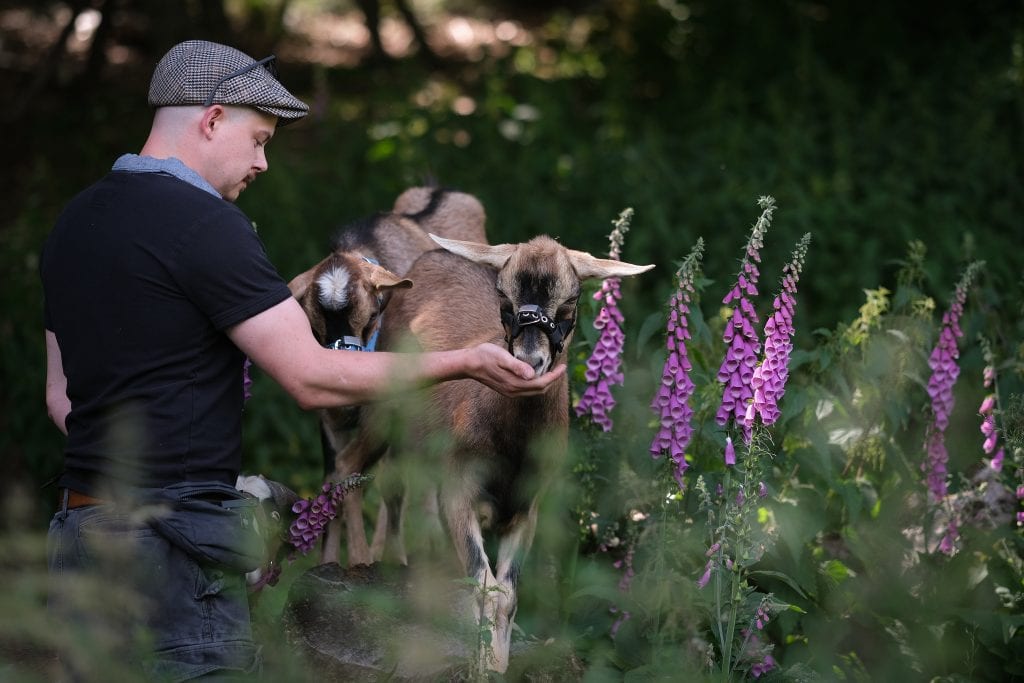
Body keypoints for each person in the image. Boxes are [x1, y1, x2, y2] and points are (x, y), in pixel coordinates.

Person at [40, 39, 564, 680]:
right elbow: (314, 378)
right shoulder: (207, 226)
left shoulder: (73, 224)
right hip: (174, 551)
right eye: (258, 139)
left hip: (81, 535)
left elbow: (63, 397)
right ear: (211, 120)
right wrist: (467, 361)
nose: (262, 163)